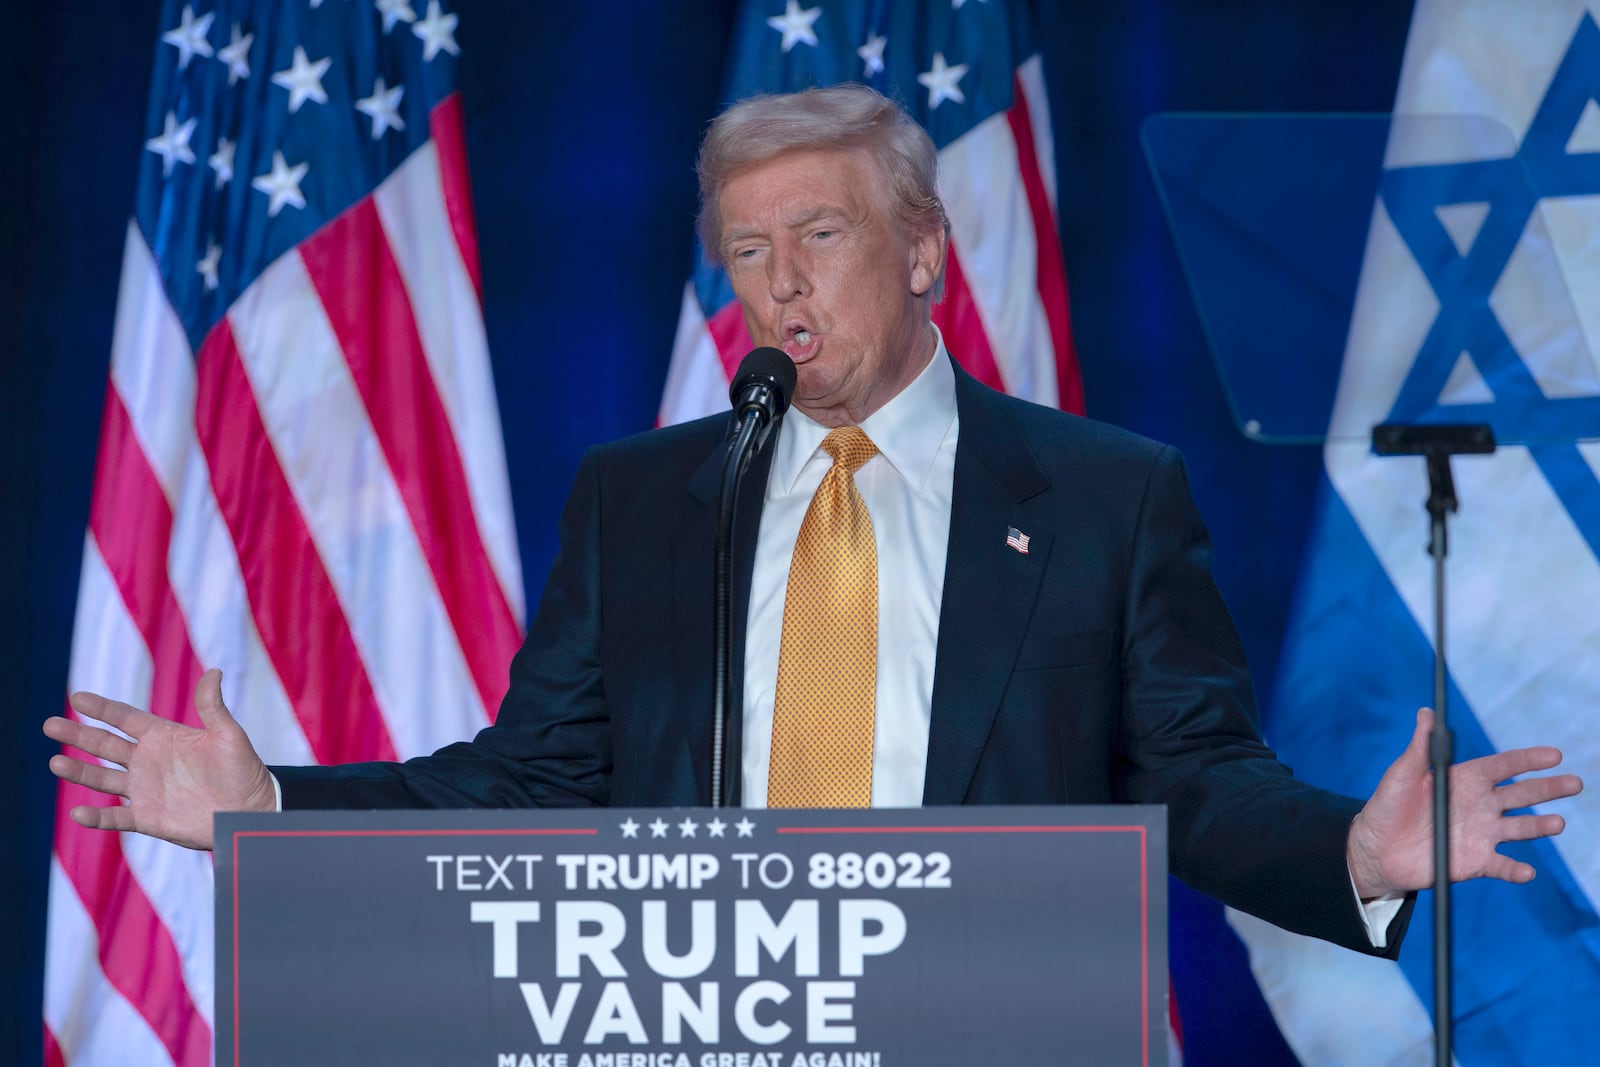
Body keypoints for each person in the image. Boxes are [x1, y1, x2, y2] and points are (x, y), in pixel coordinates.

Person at [46, 84, 1580, 958]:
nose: (779, 283)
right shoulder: (641, 502)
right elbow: (528, 785)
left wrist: (1355, 854)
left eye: (821, 235)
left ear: (922, 252)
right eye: (745, 250)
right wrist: (277, 813)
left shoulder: (1109, 497)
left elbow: (1193, 782)